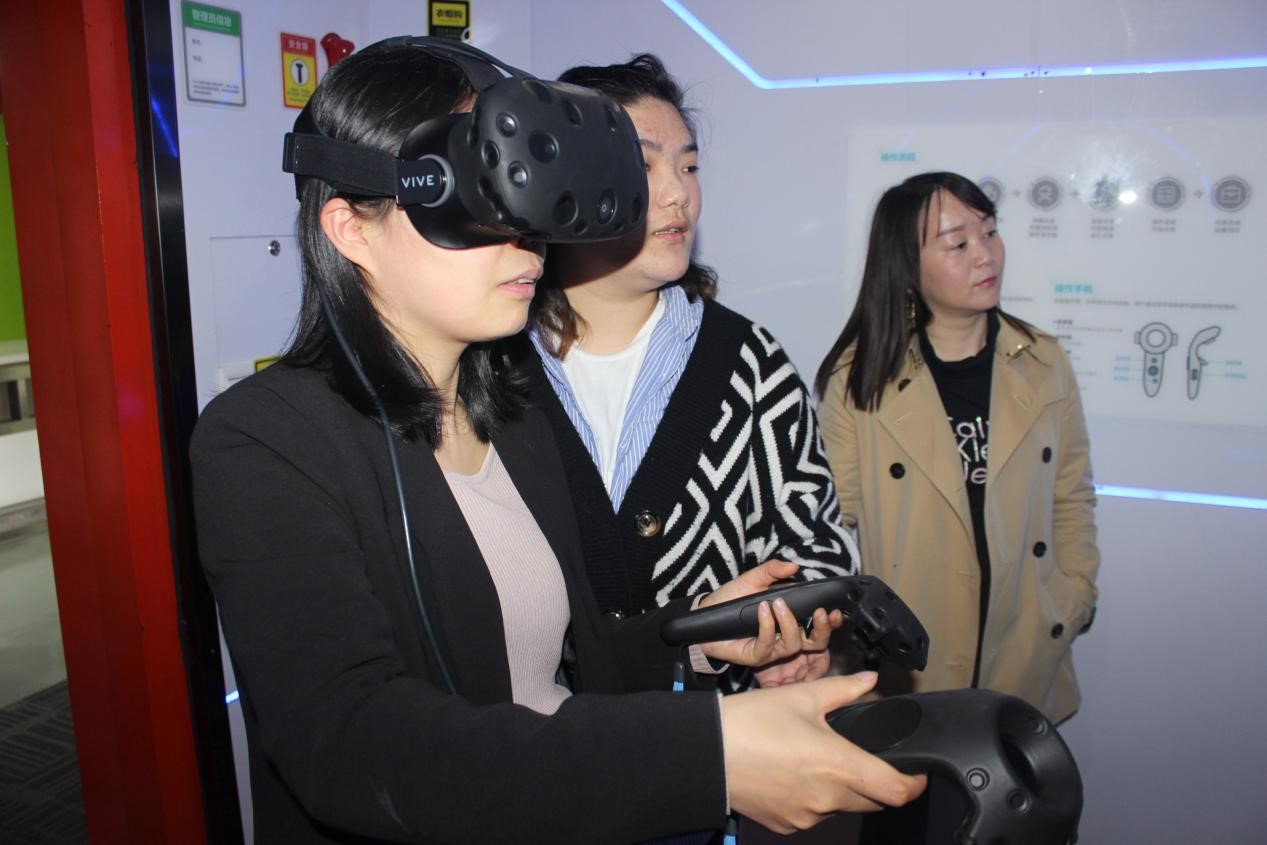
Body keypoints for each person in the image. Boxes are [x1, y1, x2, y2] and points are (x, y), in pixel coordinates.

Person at [190, 38, 924, 844]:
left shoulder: (512, 419)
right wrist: (706, 756)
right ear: (351, 229)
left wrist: (697, 636)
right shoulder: (263, 442)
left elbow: (568, 667)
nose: (525, 238)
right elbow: (351, 741)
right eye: (483, 200)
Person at [521, 54, 855, 692]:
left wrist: (794, 633)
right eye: (643, 165)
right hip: (537, 740)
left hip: (715, 734)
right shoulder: (492, 368)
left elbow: (819, 549)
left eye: (689, 166)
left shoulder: (749, 363)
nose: (679, 193)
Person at [814, 172, 1100, 725]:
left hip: (1022, 649)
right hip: (909, 660)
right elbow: (829, 528)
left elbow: (1072, 496)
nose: (985, 255)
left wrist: (1071, 599)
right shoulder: (861, 379)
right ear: (907, 265)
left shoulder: (1043, 363)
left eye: (989, 232)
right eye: (958, 243)